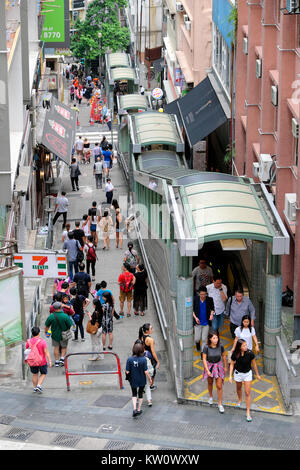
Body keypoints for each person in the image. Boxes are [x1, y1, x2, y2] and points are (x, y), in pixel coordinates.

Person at [229, 338, 261, 421]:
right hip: (238, 374)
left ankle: (248, 412)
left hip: (247, 374)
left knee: (247, 392)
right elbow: (232, 364)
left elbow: (254, 364)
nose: (246, 346)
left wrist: (257, 374)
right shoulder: (235, 354)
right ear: (240, 347)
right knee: (238, 388)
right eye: (244, 345)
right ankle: (239, 399)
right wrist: (230, 376)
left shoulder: (250, 353)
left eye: (246, 345)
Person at [202, 332, 227, 413]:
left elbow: (223, 356)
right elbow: (204, 359)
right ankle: (211, 396)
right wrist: (207, 370)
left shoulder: (221, 346)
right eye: (214, 338)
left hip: (218, 366)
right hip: (209, 366)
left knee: (219, 385)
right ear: (210, 339)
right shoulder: (206, 347)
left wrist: (225, 366)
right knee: (210, 382)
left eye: (216, 338)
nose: (216, 340)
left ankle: (220, 404)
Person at [126, 342, 151, 417]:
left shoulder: (129, 359)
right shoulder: (144, 359)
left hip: (133, 379)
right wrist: (150, 378)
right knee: (140, 393)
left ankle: (134, 409)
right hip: (142, 379)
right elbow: (145, 371)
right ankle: (139, 409)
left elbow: (127, 371)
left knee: (134, 394)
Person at [45, 301, 73, 367]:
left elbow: (47, 326)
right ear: (61, 307)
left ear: (54, 308)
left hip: (55, 334)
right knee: (64, 347)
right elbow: (69, 325)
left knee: (56, 348)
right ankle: (62, 359)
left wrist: (46, 332)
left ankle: (57, 361)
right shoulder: (65, 316)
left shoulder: (51, 316)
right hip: (64, 334)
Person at [25, 326, 52, 393]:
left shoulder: (29, 341)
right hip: (42, 361)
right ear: (39, 333)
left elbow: (27, 350)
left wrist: (26, 359)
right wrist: (50, 361)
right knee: (43, 373)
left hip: (32, 361)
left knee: (35, 374)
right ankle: (39, 385)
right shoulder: (42, 342)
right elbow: (46, 352)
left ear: (32, 333)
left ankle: (35, 388)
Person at [192, 286, 214, 353]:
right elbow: (192, 310)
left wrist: (211, 315)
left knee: (204, 339)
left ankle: (203, 353)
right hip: (197, 323)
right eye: (201, 294)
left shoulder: (209, 299)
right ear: (199, 293)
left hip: (206, 323)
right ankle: (198, 344)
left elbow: (212, 309)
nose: (203, 296)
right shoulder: (195, 299)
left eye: (204, 294)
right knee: (197, 339)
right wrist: (195, 318)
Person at [139, 323, 160, 390]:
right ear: (147, 331)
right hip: (150, 358)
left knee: (145, 370)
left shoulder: (141, 337)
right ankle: (151, 385)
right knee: (152, 372)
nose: (152, 329)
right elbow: (153, 352)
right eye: (151, 328)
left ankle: (144, 383)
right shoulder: (150, 340)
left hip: (143, 356)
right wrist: (157, 361)